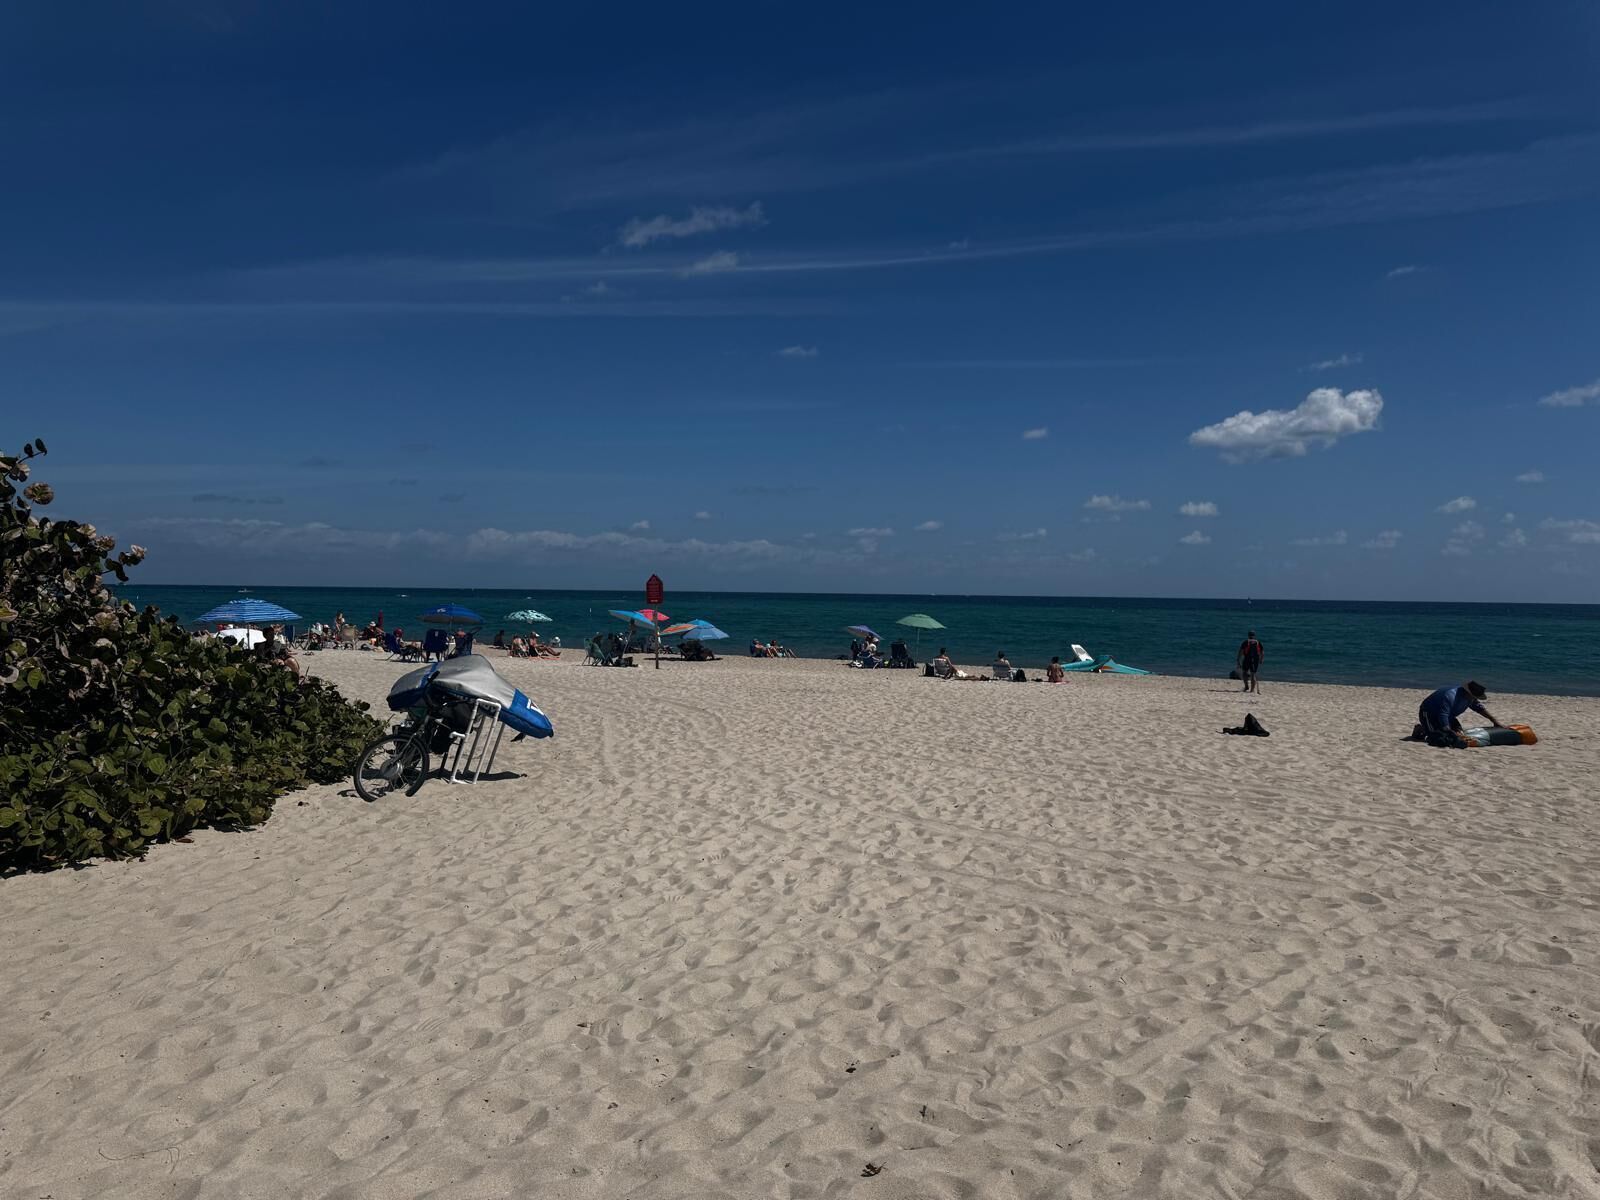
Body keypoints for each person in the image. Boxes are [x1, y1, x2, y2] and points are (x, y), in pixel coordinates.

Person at [1417, 681, 1500, 744]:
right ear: (1468, 693)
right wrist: (1450, 732)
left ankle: (1429, 728)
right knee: (1438, 737)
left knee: (1460, 733)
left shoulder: (1470, 698)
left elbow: (1479, 708)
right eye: (1475, 697)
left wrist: (1493, 720)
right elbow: (1443, 716)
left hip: (1449, 716)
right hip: (1429, 714)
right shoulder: (1450, 696)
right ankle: (1422, 728)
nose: (1475, 699)